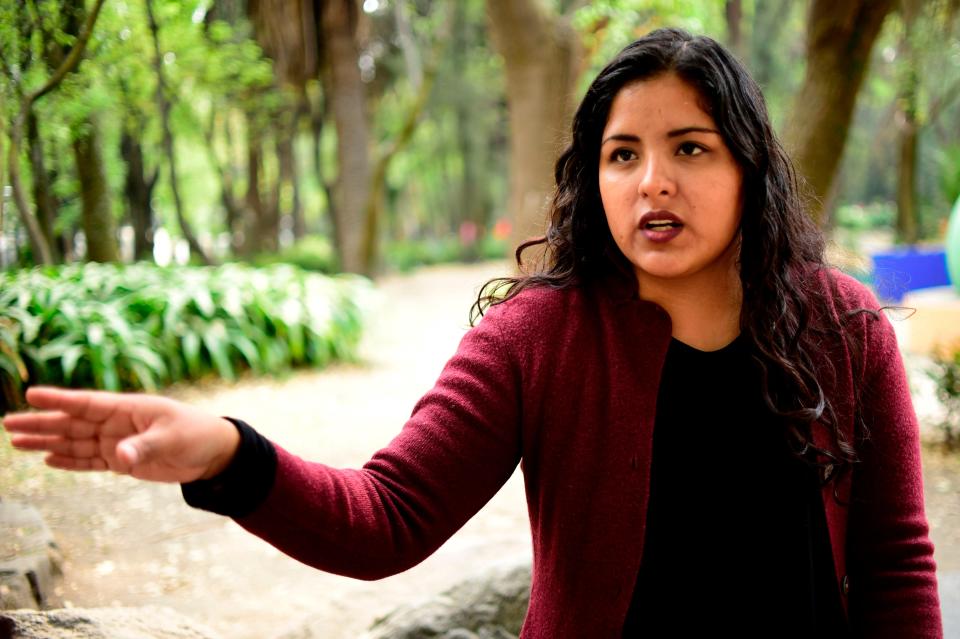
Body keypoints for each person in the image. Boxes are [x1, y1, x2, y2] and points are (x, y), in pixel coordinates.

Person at [3, 28, 942, 638]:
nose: (653, 181)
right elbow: (386, 517)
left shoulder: (844, 323)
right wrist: (225, 456)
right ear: (594, 181)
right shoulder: (537, 337)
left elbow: (896, 568)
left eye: (689, 147)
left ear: (748, 169)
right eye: (624, 154)